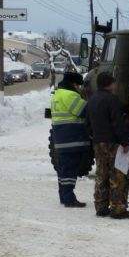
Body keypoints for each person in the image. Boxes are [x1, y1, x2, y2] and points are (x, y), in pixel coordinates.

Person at [86, 72, 129, 219]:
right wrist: (125, 142)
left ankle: (100, 207)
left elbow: (87, 123)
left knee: (101, 174)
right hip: (113, 143)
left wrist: (94, 137)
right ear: (109, 84)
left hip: (98, 142)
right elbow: (117, 124)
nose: (114, 85)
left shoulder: (92, 100)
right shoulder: (112, 100)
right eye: (112, 83)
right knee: (117, 175)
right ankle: (118, 208)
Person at [50, 71, 91, 207]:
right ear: (74, 84)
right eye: (78, 85)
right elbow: (84, 111)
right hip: (72, 138)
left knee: (63, 170)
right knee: (69, 170)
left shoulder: (58, 93)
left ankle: (63, 196)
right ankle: (69, 198)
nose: (79, 88)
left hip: (61, 139)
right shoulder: (70, 95)